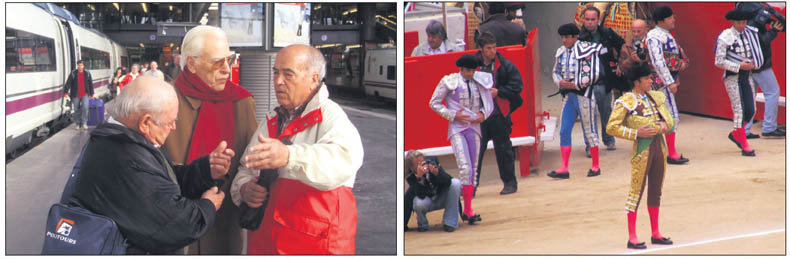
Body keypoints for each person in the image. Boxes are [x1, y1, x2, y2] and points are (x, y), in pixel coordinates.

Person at [69, 76, 235, 254]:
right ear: (146, 123)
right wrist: (208, 205)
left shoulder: (119, 139)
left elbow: (162, 181)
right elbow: (175, 225)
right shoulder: (126, 157)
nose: (173, 128)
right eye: (170, 121)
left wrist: (206, 171)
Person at [231, 44, 364, 254]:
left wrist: (289, 156)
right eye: (275, 72)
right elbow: (246, 167)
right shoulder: (272, 120)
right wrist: (244, 189)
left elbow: (344, 160)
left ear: (313, 78)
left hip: (315, 246)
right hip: (267, 243)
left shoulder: (332, 118)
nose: (278, 81)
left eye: (288, 74)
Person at [162, 25, 257, 255]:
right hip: (173, 227)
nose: (227, 69)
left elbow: (251, 165)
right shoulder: (162, 101)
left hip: (224, 227)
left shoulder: (243, 103)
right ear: (192, 64)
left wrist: (246, 187)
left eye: (229, 59)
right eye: (217, 62)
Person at [606, 62, 674, 250]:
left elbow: (671, 122)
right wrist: (636, 134)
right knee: (636, 191)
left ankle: (655, 232)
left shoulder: (655, 98)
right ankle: (632, 236)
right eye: (647, 79)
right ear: (637, 82)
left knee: (656, 190)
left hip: (659, 148)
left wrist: (664, 126)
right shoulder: (627, 100)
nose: (651, 81)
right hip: (642, 150)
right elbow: (611, 127)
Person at [429, 54, 493, 225]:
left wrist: (483, 114)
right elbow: (434, 102)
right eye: (468, 70)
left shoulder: (480, 81)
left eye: (473, 70)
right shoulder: (450, 81)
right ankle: (467, 208)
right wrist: (452, 115)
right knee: (465, 167)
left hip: (474, 128)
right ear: (461, 69)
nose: (471, 73)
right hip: (457, 129)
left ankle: (468, 209)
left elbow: (488, 104)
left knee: (473, 168)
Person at [548, 23, 607, 179]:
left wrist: (576, 83)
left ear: (575, 36)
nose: (564, 40)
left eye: (567, 37)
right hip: (569, 96)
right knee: (564, 130)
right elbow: (555, 72)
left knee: (590, 131)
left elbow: (594, 73)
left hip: (584, 94)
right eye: (562, 37)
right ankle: (564, 168)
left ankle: (596, 166)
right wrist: (560, 82)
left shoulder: (588, 49)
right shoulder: (560, 52)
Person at [473, 31, 523, 195]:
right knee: (475, 153)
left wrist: (499, 92)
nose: (492, 51)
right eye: (488, 48)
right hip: (479, 116)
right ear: (481, 49)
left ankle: (510, 183)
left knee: (504, 150)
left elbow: (517, 86)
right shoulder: (472, 64)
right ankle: (470, 187)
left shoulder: (505, 65)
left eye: (494, 47)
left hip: (498, 115)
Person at [714, 9, 764, 156]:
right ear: (733, 22)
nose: (742, 25)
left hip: (746, 75)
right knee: (739, 109)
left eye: (744, 22)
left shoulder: (749, 34)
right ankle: (744, 143)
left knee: (751, 109)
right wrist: (738, 66)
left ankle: (737, 134)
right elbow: (718, 61)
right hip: (732, 77)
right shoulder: (725, 36)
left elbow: (754, 53)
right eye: (739, 22)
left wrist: (753, 64)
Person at [645, 6, 691, 164]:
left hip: (663, 81)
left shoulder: (663, 35)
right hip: (659, 83)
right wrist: (669, 81)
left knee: (663, 117)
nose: (674, 19)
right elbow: (658, 62)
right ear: (662, 20)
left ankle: (663, 152)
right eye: (671, 17)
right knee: (670, 117)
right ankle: (669, 153)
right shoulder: (654, 36)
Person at [579, 6, 626, 152]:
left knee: (606, 112)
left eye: (593, 19)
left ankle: (609, 139)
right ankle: (590, 146)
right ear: (583, 20)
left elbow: (622, 45)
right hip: (586, 84)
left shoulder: (607, 33)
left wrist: (620, 64)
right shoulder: (578, 37)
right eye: (587, 19)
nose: (590, 23)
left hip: (604, 81)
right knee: (589, 117)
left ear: (598, 20)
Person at [745, 20, 785, 138]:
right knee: (772, 92)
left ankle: (745, 130)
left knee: (749, 96)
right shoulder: (754, 19)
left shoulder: (744, 18)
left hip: (748, 63)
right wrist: (773, 31)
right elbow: (761, 42)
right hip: (760, 65)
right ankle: (769, 128)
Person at [404, 150, 462, 232]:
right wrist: (419, 178)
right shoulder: (410, 175)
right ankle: (422, 225)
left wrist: (437, 173)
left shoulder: (432, 162)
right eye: (418, 164)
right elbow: (420, 195)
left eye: (422, 161)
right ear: (411, 168)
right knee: (418, 203)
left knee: (455, 183)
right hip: (427, 202)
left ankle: (450, 223)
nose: (422, 165)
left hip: (441, 197)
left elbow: (448, 181)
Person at [63, 60, 94, 130]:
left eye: (81, 65)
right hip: (75, 94)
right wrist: (66, 92)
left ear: (83, 66)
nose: (80, 67)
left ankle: (84, 123)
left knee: (85, 108)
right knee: (76, 109)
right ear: (77, 66)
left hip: (85, 94)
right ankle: (77, 123)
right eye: (79, 65)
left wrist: (92, 94)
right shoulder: (73, 73)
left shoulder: (87, 73)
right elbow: (68, 83)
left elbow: (90, 84)